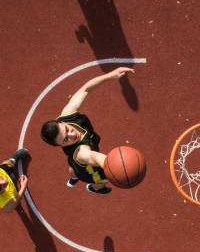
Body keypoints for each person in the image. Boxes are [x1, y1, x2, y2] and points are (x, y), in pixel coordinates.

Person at [40, 67, 135, 195]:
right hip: (88, 167)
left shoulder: (67, 114)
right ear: (60, 145)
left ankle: (73, 179)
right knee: (102, 178)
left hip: (76, 163)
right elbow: (95, 158)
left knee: (73, 168)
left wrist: (110, 75)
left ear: (61, 122)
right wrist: (118, 164)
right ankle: (94, 188)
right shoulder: (80, 153)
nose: (72, 135)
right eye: (66, 139)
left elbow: (85, 89)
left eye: (67, 129)